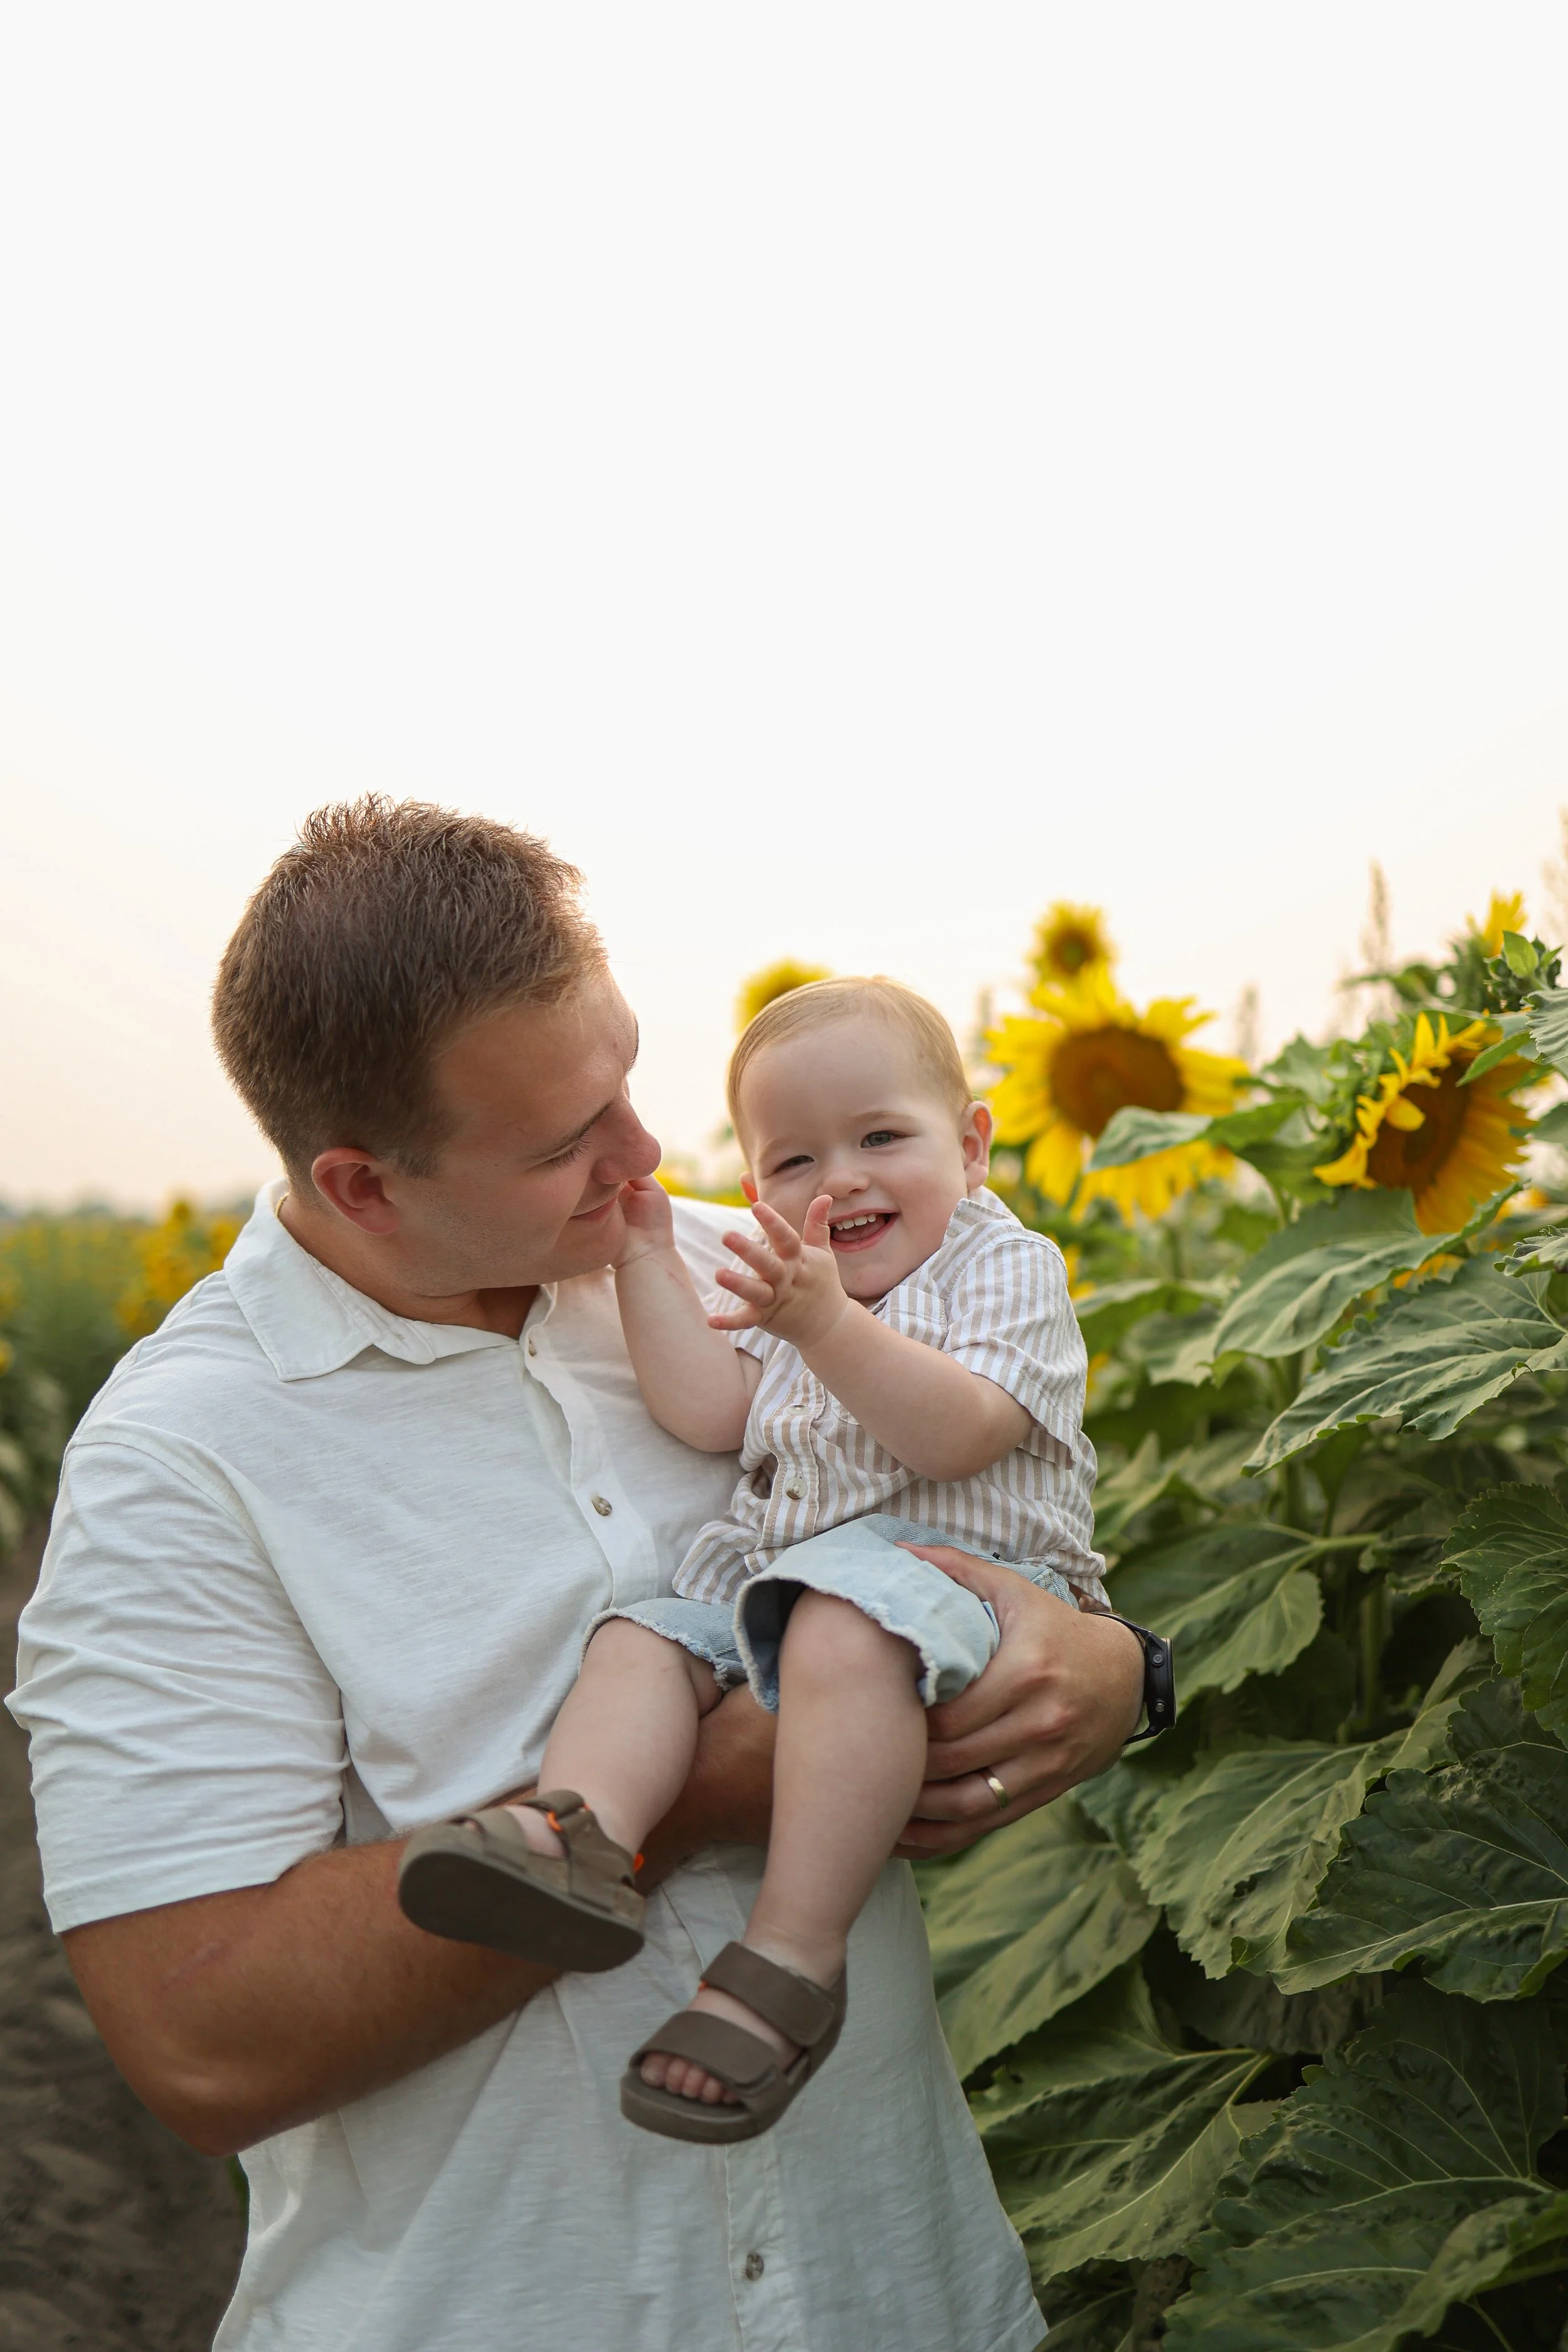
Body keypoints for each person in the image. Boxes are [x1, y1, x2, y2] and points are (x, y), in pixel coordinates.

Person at [8, 800, 1147, 2352]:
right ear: (361, 1186)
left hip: (901, 2287)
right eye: (559, 1143)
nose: (638, 1158)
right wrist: (714, 1782)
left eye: (622, 1081)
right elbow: (199, 2045)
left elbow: (987, 1490)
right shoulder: (183, 1461)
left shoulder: (754, 1271)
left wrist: (1109, 1666)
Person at [398, 976, 1108, 2147]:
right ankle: (576, 1834)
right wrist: (642, 1261)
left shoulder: (998, 1266)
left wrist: (823, 1323)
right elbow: (712, 1413)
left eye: (883, 1136)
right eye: (794, 1162)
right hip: (786, 1579)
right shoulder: (792, 1277)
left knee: (835, 1620)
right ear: (753, 1188)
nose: (840, 1180)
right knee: (643, 1636)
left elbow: (963, 1430)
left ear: (972, 1145)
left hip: (957, 1580)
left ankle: (792, 1954)